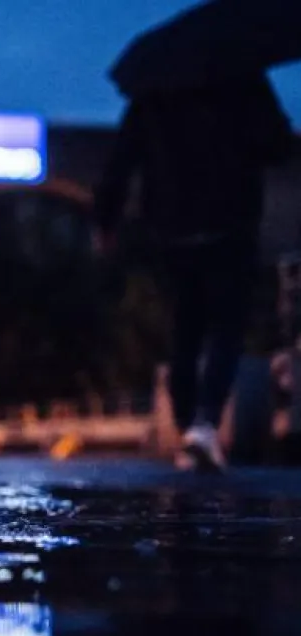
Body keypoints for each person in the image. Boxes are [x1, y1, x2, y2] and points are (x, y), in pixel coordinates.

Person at [95, 74, 295, 471]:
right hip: (229, 221)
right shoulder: (242, 81)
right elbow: (277, 143)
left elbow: (121, 160)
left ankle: (189, 427)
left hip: (172, 228)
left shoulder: (153, 91)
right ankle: (203, 425)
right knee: (227, 326)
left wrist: (106, 221)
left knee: (185, 327)